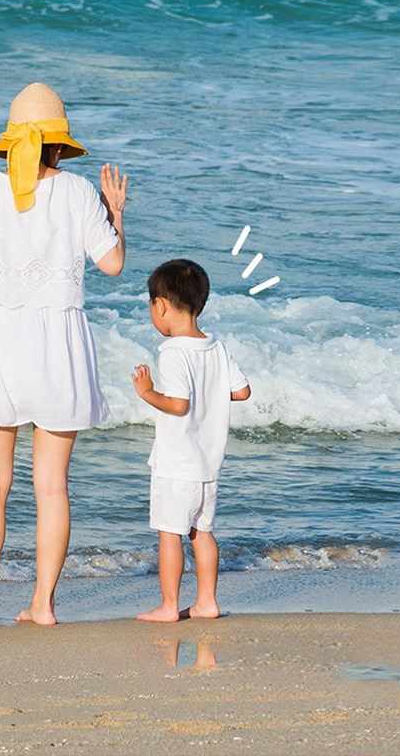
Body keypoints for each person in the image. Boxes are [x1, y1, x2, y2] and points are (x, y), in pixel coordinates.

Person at [0, 82, 127, 627]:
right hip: (60, 347)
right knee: (52, 486)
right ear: (60, 148)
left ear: (10, 141)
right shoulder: (81, 192)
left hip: (0, 344)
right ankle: (42, 605)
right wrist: (115, 213)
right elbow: (112, 265)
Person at [131, 259, 250, 622]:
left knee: (170, 535)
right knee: (203, 533)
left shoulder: (173, 352)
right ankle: (207, 602)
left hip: (177, 463)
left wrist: (148, 393)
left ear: (161, 305)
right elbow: (242, 392)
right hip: (209, 466)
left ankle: (169, 606)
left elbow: (178, 404)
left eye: (152, 306)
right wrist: (211, 395)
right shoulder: (216, 347)